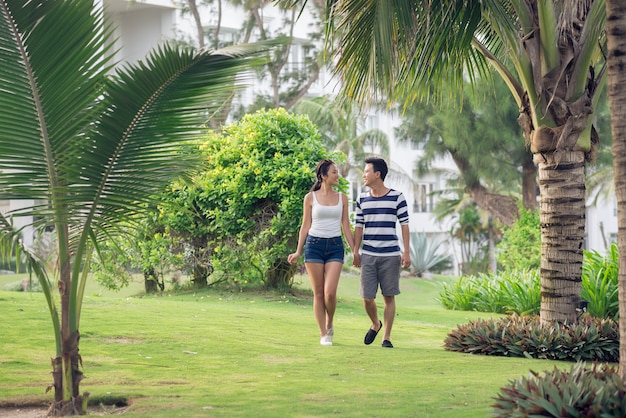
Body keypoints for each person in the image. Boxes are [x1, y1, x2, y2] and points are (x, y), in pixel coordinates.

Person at [288, 159, 355, 346]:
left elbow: (346, 226)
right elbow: (305, 226)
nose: (337, 175)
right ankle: (323, 334)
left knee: (330, 293)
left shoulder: (342, 198)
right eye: (334, 172)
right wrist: (298, 251)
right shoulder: (310, 198)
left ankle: (330, 322)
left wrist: (356, 250)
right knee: (318, 293)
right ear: (324, 176)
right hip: (314, 245)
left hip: (335, 246)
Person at [352, 157, 410, 348]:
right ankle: (376, 323)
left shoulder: (397, 197)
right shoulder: (361, 199)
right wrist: (355, 251)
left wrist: (406, 252)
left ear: (378, 174)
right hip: (368, 255)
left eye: (367, 171)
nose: (364, 175)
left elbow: (404, 225)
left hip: (391, 255)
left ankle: (386, 337)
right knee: (367, 297)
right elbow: (358, 227)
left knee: (388, 296)